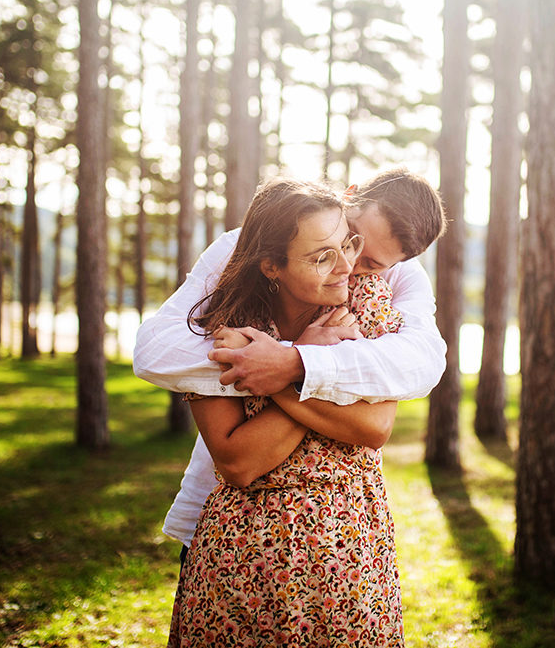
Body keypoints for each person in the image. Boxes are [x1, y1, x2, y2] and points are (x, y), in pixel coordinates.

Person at [133, 167, 447, 557]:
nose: (349, 267)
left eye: (371, 264)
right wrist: (282, 354)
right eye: (351, 239)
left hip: (340, 541)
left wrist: (293, 364)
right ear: (348, 197)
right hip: (221, 525)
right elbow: (154, 350)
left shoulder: (393, 286)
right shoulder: (243, 248)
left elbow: (422, 364)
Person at [161, 177, 416, 644]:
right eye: (322, 256)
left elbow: (374, 427)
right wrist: (307, 356)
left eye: (347, 244)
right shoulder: (225, 325)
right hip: (240, 561)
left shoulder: (368, 305)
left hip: (349, 553)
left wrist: (289, 367)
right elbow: (238, 462)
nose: (347, 267)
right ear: (272, 265)